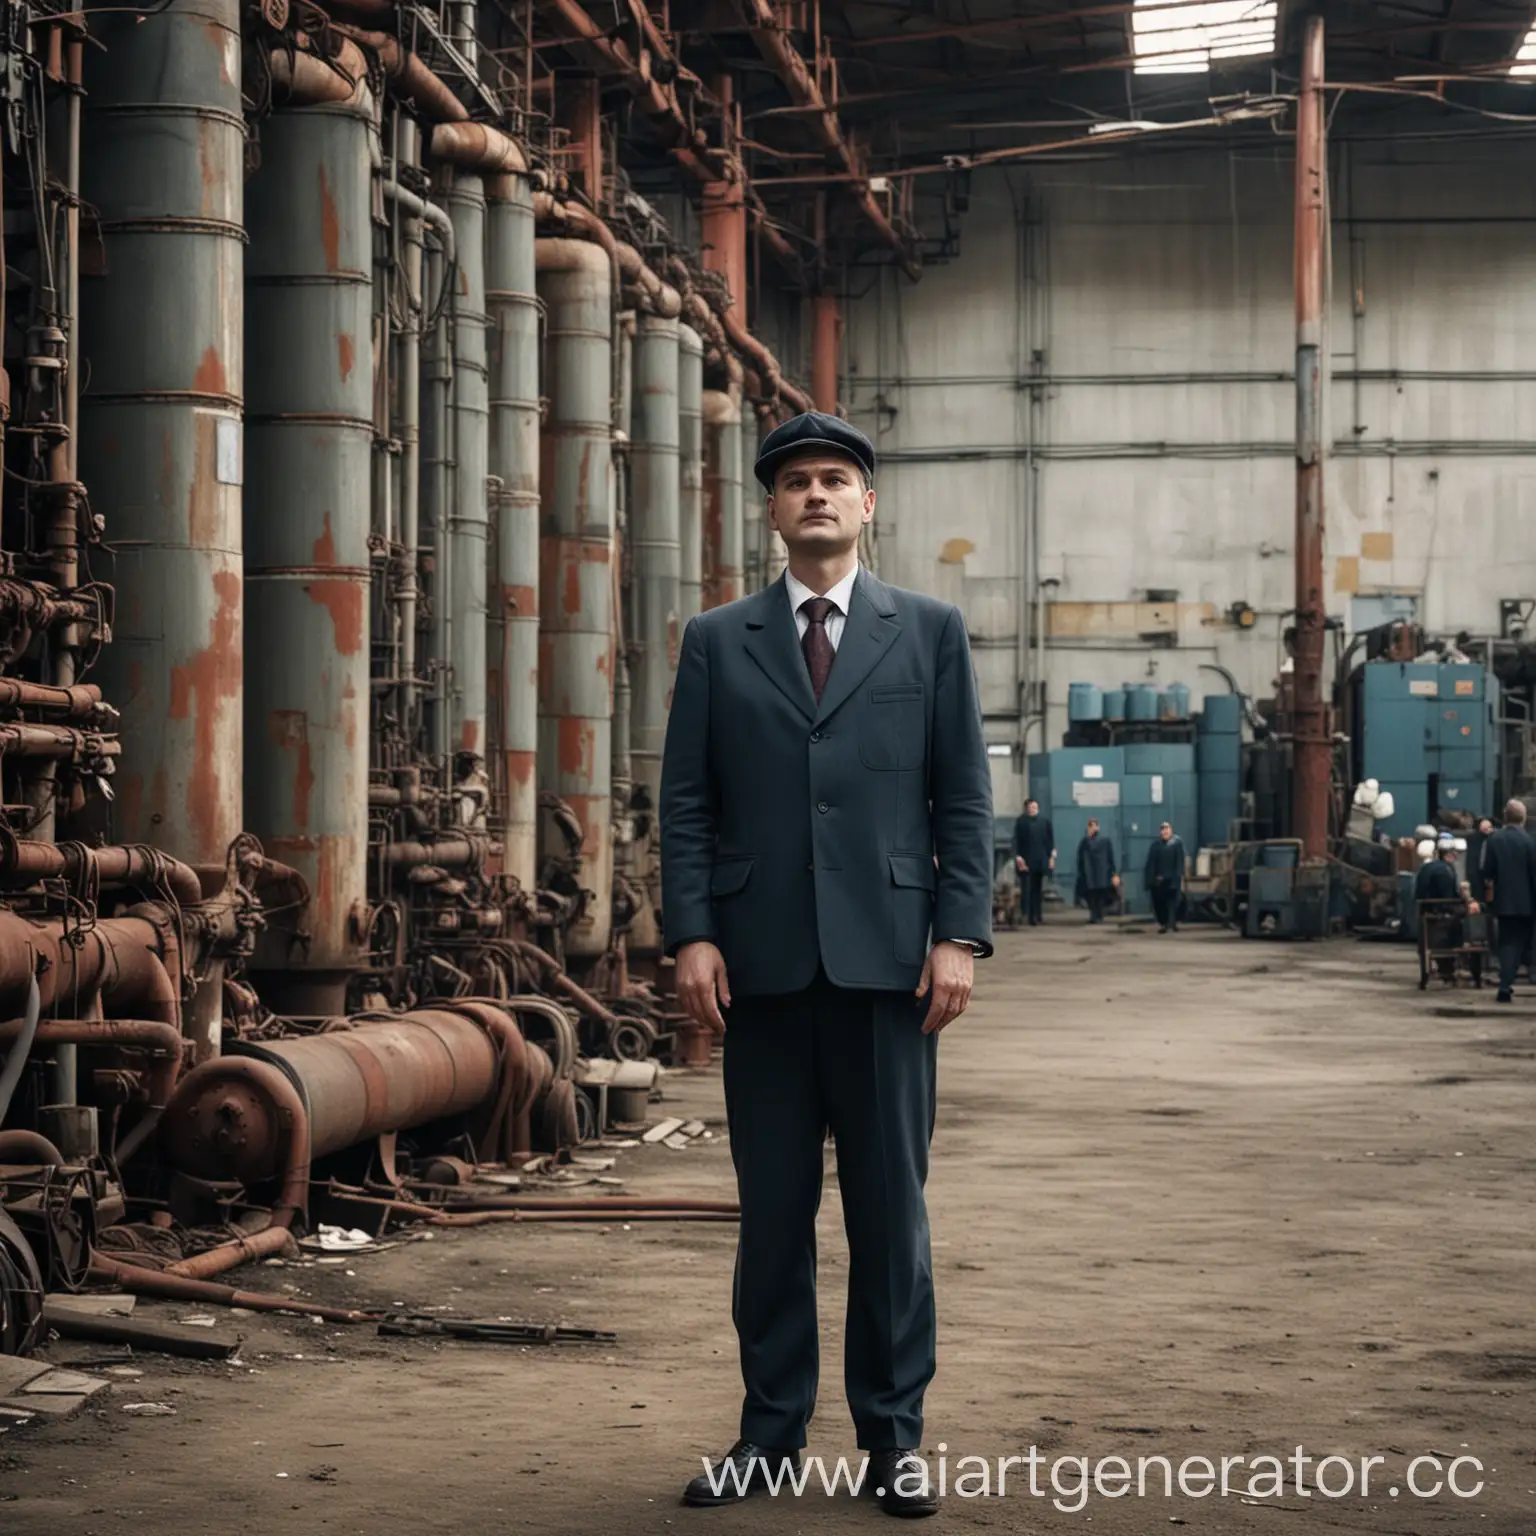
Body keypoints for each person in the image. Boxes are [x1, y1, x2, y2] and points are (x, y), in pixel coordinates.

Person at [660, 411, 994, 1518]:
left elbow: (964, 799)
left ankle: (894, 1440)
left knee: (891, 1217)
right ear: (772, 508)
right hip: (759, 972)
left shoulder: (930, 630)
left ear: (867, 504)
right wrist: (694, 930)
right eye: (797, 480)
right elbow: (689, 803)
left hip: (891, 974)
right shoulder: (718, 640)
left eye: (836, 480)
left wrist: (958, 934)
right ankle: (769, 1438)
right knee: (773, 1217)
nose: (816, 494)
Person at [1478, 799, 1536, 1003]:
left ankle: (1505, 985)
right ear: (1524, 818)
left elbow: (1487, 872)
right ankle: (1526, 976)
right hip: (1528, 903)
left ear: (1505, 816)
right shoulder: (1529, 842)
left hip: (1503, 903)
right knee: (1526, 942)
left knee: (1508, 943)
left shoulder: (1494, 840)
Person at [1012, 798, 1055, 926]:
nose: (1032, 809)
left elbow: (1050, 841)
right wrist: (1018, 857)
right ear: (1026, 808)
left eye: (1034, 807)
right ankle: (1027, 915)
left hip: (1041, 860)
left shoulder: (1045, 822)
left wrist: (1051, 858)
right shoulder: (1021, 822)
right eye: (1030, 807)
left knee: (1037, 889)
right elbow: (1016, 840)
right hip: (1026, 861)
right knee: (1027, 889)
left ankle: (1037, 915)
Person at [1143, 820, 1187, 933]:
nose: (1165, 832)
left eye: (1167, 829)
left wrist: (1177, 878)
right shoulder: (1155, 846)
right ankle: (1164, 923)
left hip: (1172, 879)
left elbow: (1179, 862)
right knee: (1160, 904)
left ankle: (1171, 923)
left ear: (1171, 830)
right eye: (1163, 830)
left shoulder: (1177, 843)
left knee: (1173, 903)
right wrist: (1150, 880)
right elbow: (1151, 863)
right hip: (1159, 881)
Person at [1076, 818, 1119, 924]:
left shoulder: (1103, 841)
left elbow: (1110, 858)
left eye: (1094, 825)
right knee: (1092, 896)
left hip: (1100, 873)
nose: (1092, 828)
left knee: (1099, 896)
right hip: (1091, 873)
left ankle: (1098, 915)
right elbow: (1080, 859)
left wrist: (1114, 873)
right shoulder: (1085, 842)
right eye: (1090, 826)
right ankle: (1094, 915)